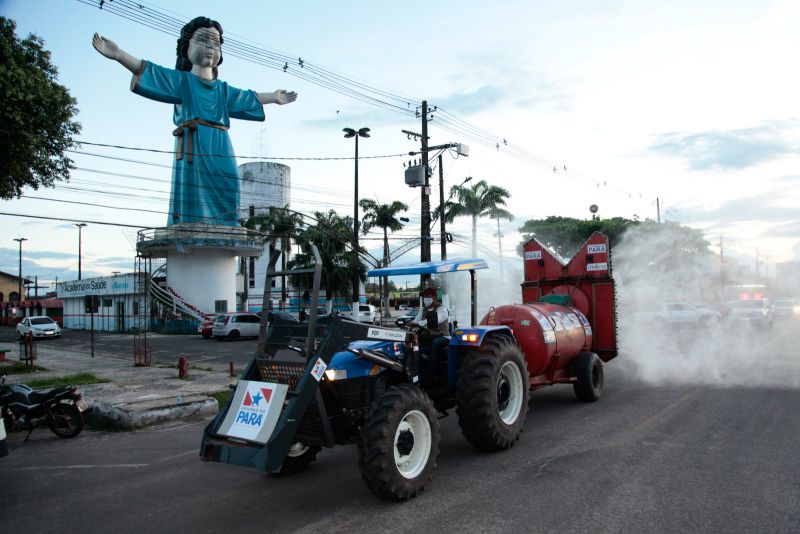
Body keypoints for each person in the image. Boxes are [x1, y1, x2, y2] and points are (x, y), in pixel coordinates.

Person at [92, 17, 297, 226]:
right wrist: (119, 55)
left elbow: (246, 97)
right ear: (186, 47)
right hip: (193, 141)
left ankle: (226, 226)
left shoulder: (222, 89)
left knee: (231, 180)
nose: (210, 47)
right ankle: (193, 226)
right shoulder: (182, 81)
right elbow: (151, 71)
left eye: (216, 43)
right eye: (204, 39)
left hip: (221, 142)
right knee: (194, 189)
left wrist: (273, 96)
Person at [407, 287, 450, 385]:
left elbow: (433, 320)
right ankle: (414, 369)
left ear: (434, 297)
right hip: (429, 336)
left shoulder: (442, 309)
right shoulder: (423, 310)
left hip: (442, 336)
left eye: (428, 296)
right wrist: (410, 323)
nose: (426, 298)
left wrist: (418, 324)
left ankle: (430, 375)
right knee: (413, 343)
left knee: (434, 344)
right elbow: (416, 320)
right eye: (425, 296)